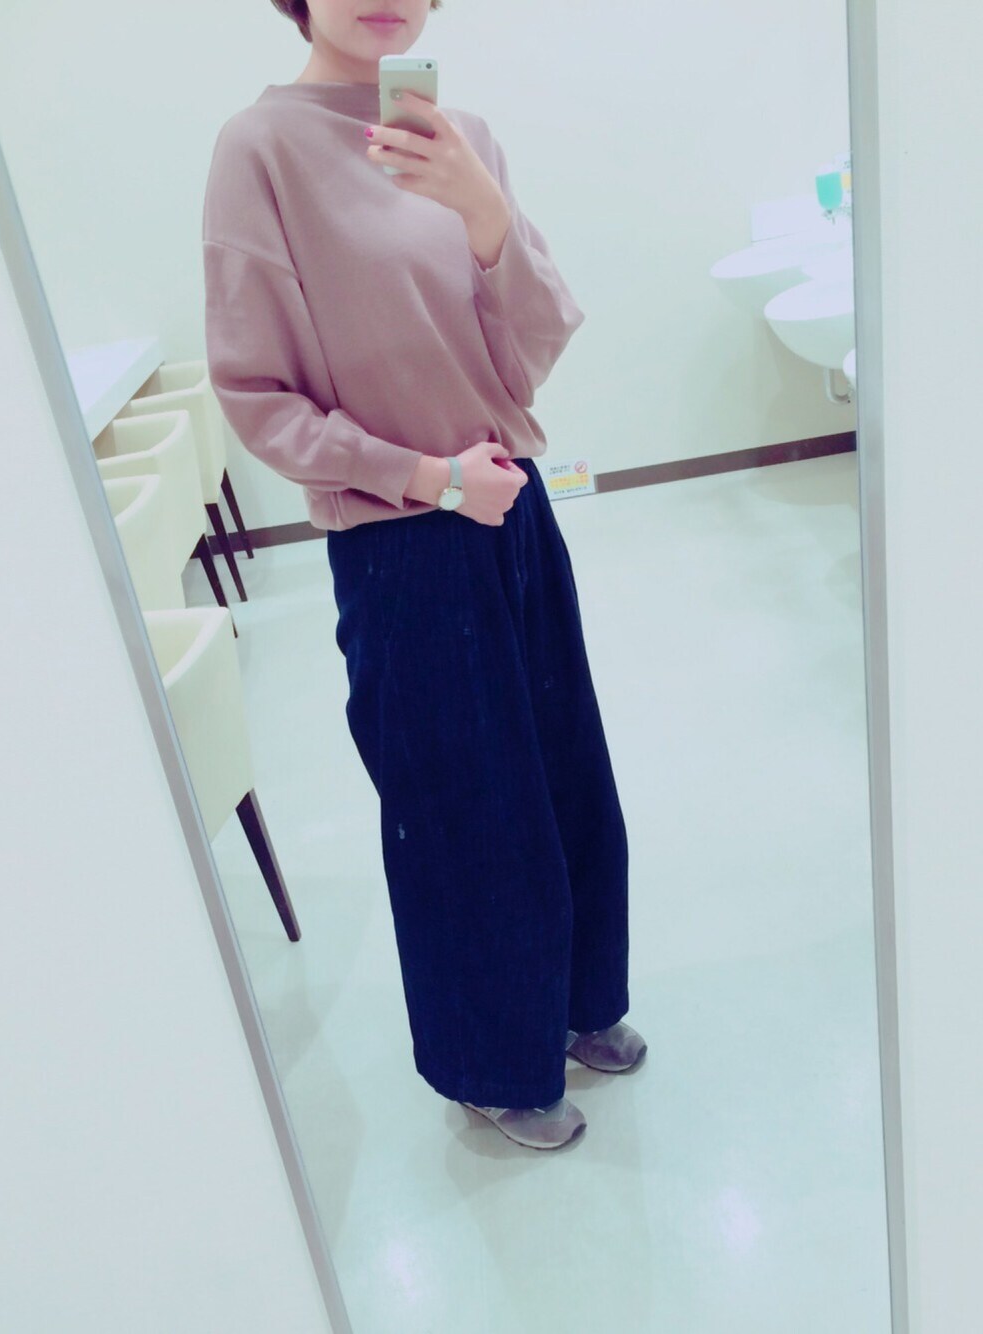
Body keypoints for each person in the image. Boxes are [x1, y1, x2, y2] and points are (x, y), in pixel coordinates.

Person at [201, 0, 645, 1151]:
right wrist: (429, 479)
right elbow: (256, 394)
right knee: (461, 809)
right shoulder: (261, 151)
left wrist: (485, 215)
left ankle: (579, 999)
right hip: (401, 533)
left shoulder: (464, 137)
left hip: (513, 506)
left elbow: (527, 352)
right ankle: (493, 1062)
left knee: (564, 771)